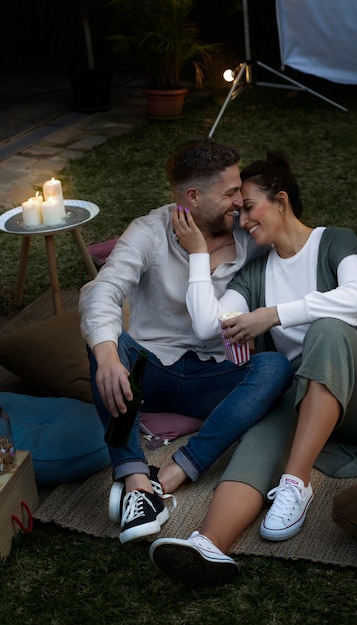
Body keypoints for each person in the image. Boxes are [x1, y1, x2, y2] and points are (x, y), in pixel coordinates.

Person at [149, 150, 357, 586]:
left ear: (281, 200)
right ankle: (209, 544)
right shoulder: (255, 274)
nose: (243, 221)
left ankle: (296, 481)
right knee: (258, 433)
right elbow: (207, 326)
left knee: (326, 331)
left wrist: (272, 315)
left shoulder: (335, 241)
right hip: (305, 400)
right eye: (238, 213)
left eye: (249, 207)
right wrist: (198, 254)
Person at [78, 140, 294, 545]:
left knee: (275, 368)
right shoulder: (149, 231)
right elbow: (100, 292)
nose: (239, 199)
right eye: (230, 192)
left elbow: (295, 254)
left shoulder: (247, 232)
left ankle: (173, 473)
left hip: (216, 376)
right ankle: (137, 484)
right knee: (107, 343)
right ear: (193, 197)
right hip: (152, 374)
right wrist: (107, 358)